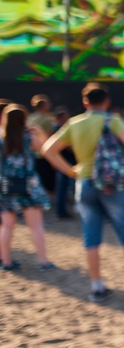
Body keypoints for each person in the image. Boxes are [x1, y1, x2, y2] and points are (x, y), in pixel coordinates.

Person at [41, 84, 124, 302]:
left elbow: (48, 149)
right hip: (111, 183)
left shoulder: (74, 123)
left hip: (84, 182)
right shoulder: (112, 120)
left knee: (91, 237)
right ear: (107, 101)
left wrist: (72, 171)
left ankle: (97, 286)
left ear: (85, 102)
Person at [0, 104, 54, 271]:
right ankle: (43, 262)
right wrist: (38, 131)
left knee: (6, 226)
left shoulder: (2, 139)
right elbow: (47, 149)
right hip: (29, 185)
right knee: (36, 226)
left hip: (6, 186)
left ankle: (6, 262)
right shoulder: (29, 137)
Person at [50, 106, 76, 220]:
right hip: (64, 162)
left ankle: (61, 210)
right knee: (62, 187)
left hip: (62, 162)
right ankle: (61, 211)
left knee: (62, 187)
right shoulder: (60, 129)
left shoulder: (57, 128)